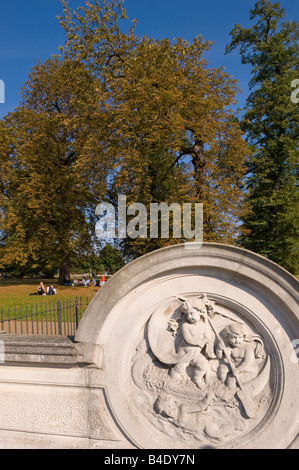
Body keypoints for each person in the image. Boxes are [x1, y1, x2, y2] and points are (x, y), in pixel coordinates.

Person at [169, 298, 215, 388]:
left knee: (203, 364)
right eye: (187, 314)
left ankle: (197, 379)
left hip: (196, 353)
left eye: (192, 313)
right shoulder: (185, 325)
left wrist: (207, 341)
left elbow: (208, 337)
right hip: (185, 352)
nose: (190, 316)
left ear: (200, 312)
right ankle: (170, 380)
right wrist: (201, 342)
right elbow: (188, 339)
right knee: (179, 368)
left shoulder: (204, 326)